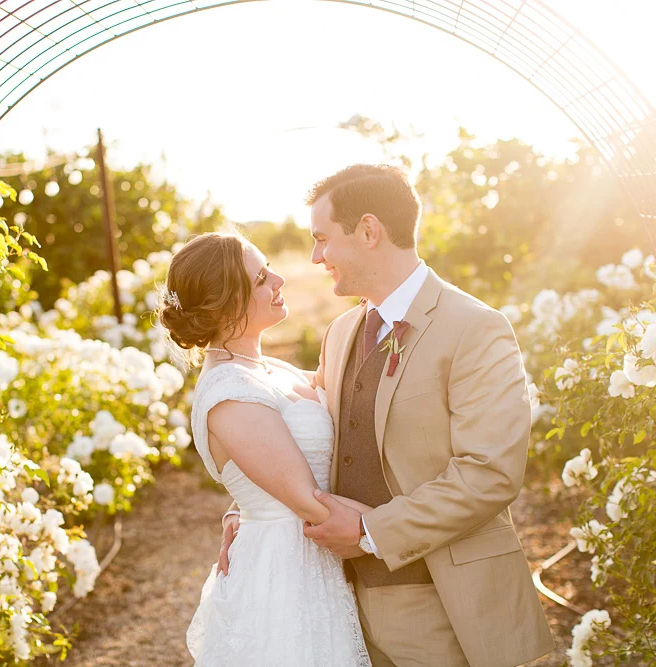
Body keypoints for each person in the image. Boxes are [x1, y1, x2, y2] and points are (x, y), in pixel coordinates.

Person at [219, 164, 554, 666]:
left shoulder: (476, 329)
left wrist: (371, 533)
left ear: (369, 231)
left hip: (443, 601)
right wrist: (248, 507)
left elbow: (489, 473)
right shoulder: (341, 332)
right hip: (342, 605)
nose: (315, 257)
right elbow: (305, 432)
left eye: (322, 239)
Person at [159, 232, 371, 666]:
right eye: (260, 278)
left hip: (312, 556)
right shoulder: (229, 393)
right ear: (226, 305)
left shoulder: (268, 369)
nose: (279, 279)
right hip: (286, 574)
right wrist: (421, 523)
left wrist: (240, 506)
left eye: (269, 266)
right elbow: (310, 503)